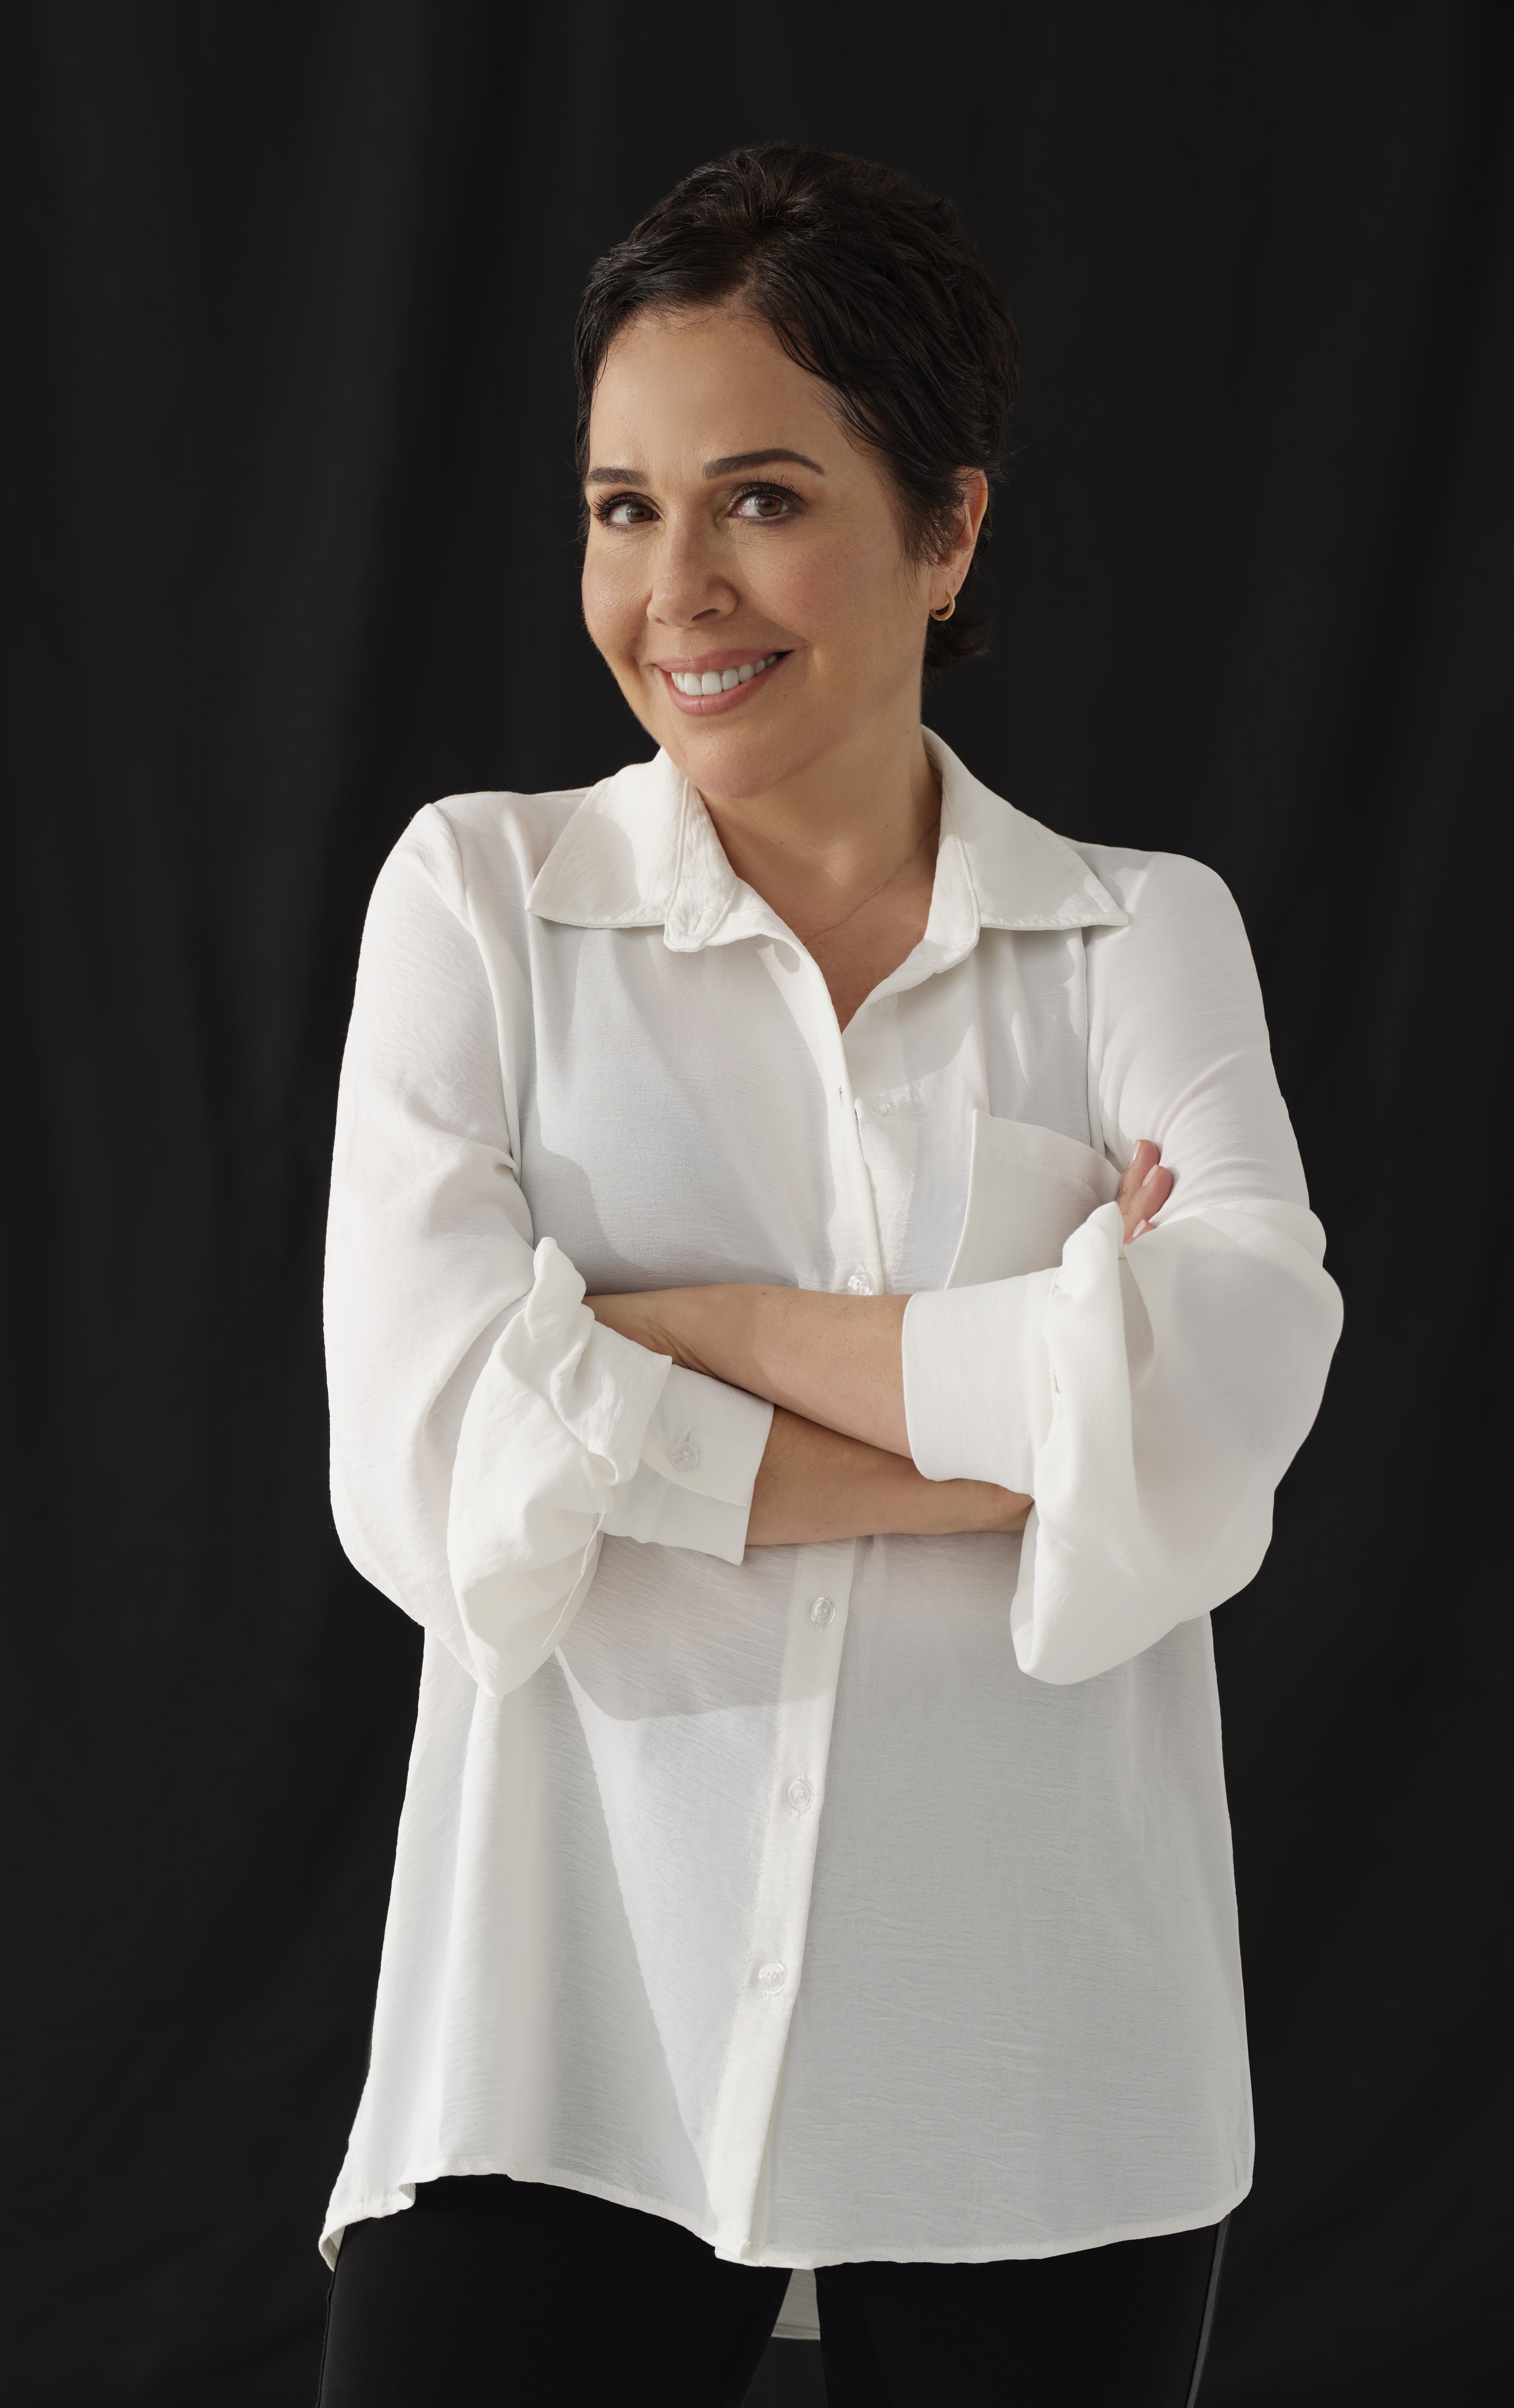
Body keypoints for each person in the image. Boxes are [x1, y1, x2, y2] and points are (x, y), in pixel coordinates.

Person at [314, 144, 1343, 2408]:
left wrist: (690, 1345)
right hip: (564, 2037)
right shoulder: (478, 906)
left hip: (1041, 2063)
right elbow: (432, 1467)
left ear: (949, 527)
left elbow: (1222, 1408)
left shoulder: (1142, 937)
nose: (674, 588)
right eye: (622, 507)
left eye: (762, 500)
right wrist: (1023, 1424)